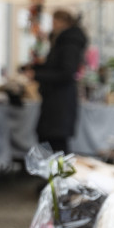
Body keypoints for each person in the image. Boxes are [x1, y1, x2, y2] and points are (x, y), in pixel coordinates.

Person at [29, 9, 88, 153]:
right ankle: (50, 167)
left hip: (60, 103)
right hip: (55, 102)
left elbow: (66, 73)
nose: (53, 26)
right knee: (49, 142)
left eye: (55, 22)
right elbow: (58, 67)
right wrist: (37, 68)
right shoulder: (61, 42)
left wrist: (38, 75)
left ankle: (55, 168)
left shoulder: (69, 43)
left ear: (64, 23)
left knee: (56, 144)